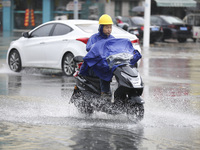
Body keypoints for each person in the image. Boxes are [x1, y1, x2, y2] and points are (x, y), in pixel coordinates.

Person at [80, 14, 115, 98]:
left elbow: (116, 49)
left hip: (107, 64)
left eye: (110, 27)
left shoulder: (112, 38)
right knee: (104, 69)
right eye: (106, 27)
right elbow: (89, 48)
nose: (109, 30)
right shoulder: (94, 38)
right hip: (95, 66)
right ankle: (104, 93)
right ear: (101, 27)